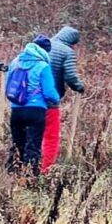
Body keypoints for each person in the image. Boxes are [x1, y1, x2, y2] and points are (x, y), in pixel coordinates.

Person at [6, 36, 61, 176]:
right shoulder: (43, 66)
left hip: (16, 110)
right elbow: (49, 93)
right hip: (36, 111)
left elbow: (8, 86)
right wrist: (56, 99)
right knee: (33, 145)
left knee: (18, 144)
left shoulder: (15, 62)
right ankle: (29, 177)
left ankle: (12, 175)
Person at [42, 26, 87, 173]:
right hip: (50, 99)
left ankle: (25, 167)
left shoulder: (44, 45)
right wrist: (79, 87)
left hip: (29, 98)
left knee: (34, 132)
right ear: (73, 42)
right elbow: (70, 77)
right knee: (50, 135)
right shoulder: (67, 51)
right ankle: (45, 170)